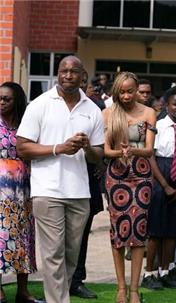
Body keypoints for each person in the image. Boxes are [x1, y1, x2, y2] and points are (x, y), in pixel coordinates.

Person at [16, 56, 104, 303]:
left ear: (82, 75)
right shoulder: (40, 104)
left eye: (73, 71)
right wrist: (59, 148)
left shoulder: (92, 110)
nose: (67, 75)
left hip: (79, 192)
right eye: (63, 71)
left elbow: (98, 155)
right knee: (53, 254)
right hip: (48, 191)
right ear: (58, 73)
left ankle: (59, 297)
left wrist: (86, 147)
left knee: (71, 256)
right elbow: (22, 147)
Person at [103, 72, 156, 303]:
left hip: (141, 174)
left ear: (137, 90)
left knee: (138, 229)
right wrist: (120, 153)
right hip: (116, 176)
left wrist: (133, 151)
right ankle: (121, 289)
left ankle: (134, 289)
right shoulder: (108, 113)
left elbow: (149, 150)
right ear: (116, 91)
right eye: (121, 91)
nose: (126, 96)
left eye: (130, 91)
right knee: (118, 231)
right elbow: (106, 151)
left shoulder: (149, 113)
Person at [142, 86, 176, 290]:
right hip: (160, 176)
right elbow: (151, 156)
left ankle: (165, 271)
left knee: (172, 232)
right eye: (175, 104)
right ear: (166, 105)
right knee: (156, 231)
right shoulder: (158, 126)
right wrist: (163, 185)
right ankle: (149, 272)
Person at [0, 82, 43, 303]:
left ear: (17, 100)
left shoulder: (25, 124)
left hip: (24, 189)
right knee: (1, 237)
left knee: (24, 237)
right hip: (0, 191)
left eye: (6, 99)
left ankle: (22, 291)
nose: (1, 102)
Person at [69, 71, 104, 299]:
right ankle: (58, 281)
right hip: (60, 180)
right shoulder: (53, 107)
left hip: (88, 179)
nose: (80, 85)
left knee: (81, 235)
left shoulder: (95, 110)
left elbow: (103, 145)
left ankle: (77, 280)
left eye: (83, 82)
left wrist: (99, 159)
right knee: (58, 238)